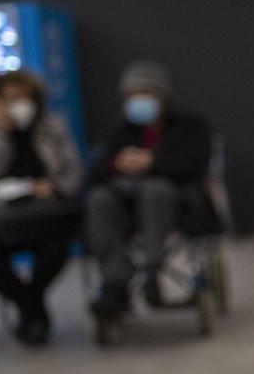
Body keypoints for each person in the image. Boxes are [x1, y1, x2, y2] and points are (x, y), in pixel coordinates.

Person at [86, 60, 213, 321]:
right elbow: (95, 171)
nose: (138, 100)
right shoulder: (121, 131)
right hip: (126, 205)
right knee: (98, 199)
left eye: (145, 94)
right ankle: (115, 282)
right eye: (132, 95)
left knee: (155, 190)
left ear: (161, 95)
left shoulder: (189, 126)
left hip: (176, 204)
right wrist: (117, 163)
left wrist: (152, 162)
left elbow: (196, 163)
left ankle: (153, 269)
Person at [0, 70, 82, 345]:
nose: (19, 104)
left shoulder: (51, 127)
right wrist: (1, 135)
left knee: (58, 242)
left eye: (25, 98)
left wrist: (53, 187)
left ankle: (30, 305)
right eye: (11, 98)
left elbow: (74, 171)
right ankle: (30, 305)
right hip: (2, 214)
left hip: (46, 211)